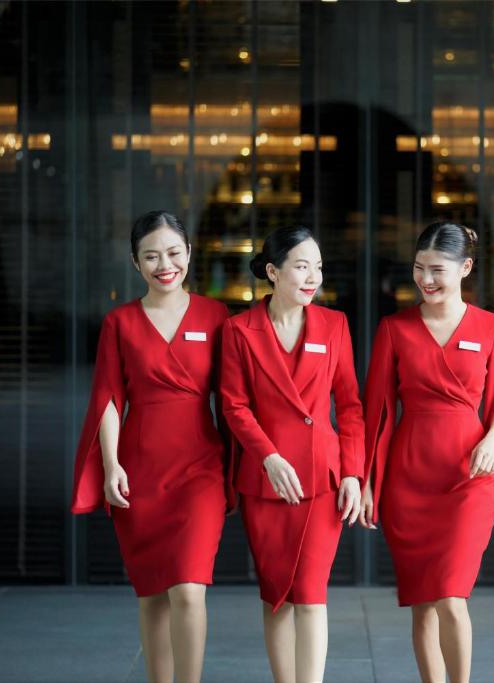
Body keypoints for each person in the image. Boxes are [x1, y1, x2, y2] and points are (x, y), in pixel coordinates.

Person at [360, 221, 494, 683]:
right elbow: (376, 413)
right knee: (423, 604)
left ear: (465, 268)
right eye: (419, 268)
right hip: (410, 476)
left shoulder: (493, 326)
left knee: (452, 597)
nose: (426, 280)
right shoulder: (394, 329)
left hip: (469, 476)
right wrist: (367, 482)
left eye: (437, 270)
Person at [71, 210, 230, 683]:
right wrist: (112, 463)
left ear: (189, 253)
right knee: (151, 593)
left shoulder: (216, 315)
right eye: (152, 256)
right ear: (135, 263)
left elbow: (237, 398)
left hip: (201, 467)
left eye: (174, 253)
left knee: (189, 589)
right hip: (139, 469)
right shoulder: (119, 322)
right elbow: (107, 399)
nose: (165, 264)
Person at [219, 225, 364, 683]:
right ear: (271, 271)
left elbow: (352, 406)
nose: (312, 277)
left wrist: (353, 474)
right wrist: (267, 455)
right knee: (276, 591)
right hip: (267, 480)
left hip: (323, 477)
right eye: (301, 266)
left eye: (317, 267)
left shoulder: (335, 324)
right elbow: (233, 406)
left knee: (311, 591)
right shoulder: (238, 331)